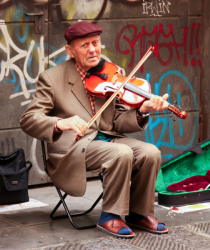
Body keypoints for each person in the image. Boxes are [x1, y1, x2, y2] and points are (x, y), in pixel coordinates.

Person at [20, 21, 169, 238]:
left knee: (150, 152)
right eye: (84, 45)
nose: (92, 50)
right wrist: (60, 123)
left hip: (107, 139)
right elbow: (28, 119)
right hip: (74, 147)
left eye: (96, 43)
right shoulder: (52, 79)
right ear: (70, 51)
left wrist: (141, 111)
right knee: (121, 153)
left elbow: (117, 121)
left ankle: (138, 213)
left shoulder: (111, 73)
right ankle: (110, 217)